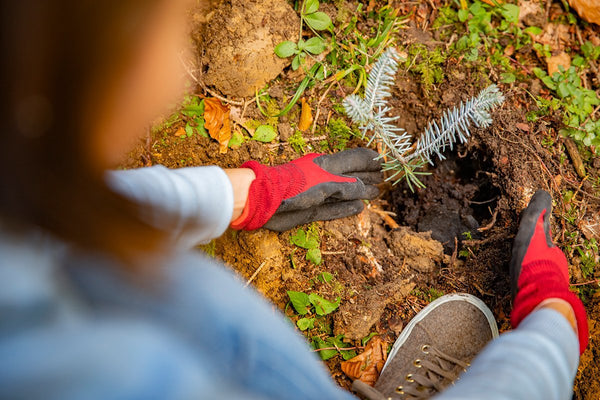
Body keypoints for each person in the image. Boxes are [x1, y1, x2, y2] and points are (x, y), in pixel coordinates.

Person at [0, 1, 588, 400]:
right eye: (170, 24)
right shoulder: (135, 380)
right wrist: (552, 323)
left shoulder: (23, 216)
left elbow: (56, 211)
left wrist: (239, 195)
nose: (181, 72)